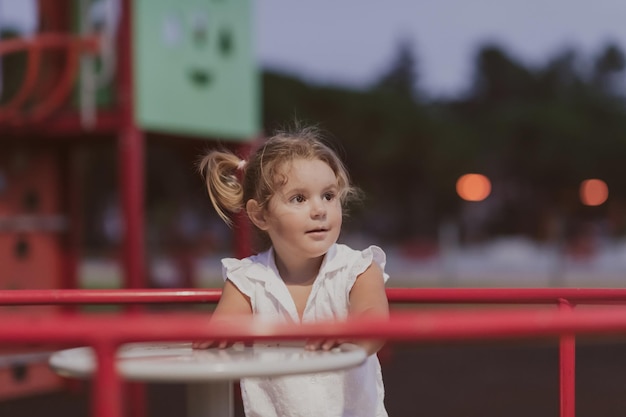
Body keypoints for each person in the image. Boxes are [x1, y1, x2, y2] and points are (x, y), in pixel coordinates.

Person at [193, 125, 390, 417]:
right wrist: (221, 333)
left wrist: (350, 334)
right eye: (299, 198)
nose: (319, 210)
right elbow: (222, 329)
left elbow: (374, 325)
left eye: (328, 196)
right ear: (260, 215)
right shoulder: (248, 279)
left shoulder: (358, 269)